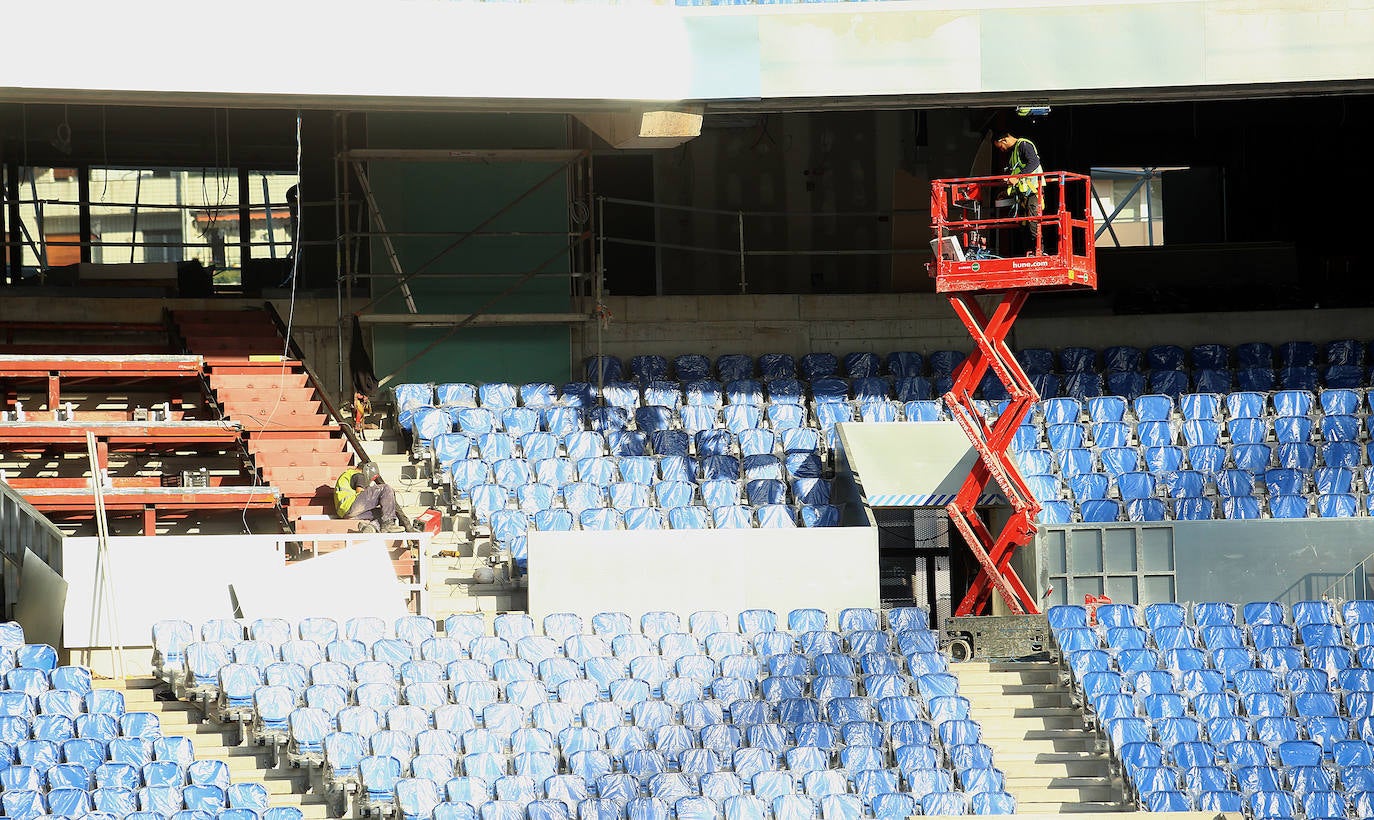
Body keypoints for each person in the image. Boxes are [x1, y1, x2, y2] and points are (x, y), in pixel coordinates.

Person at [993, 130, 1043, 254]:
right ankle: (1029, 251)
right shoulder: (1014, 153)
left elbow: (1034, 162)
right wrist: (1007, 192)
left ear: (1004, 140)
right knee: (1024, 225)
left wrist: (1018, 177)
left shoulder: (1024, 145)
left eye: (1001, 147)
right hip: (1023, 194)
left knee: (1032, 222)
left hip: (1032, 191)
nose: (1002, 150)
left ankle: (1038, 251)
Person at [335, 461, 405, 533]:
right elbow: (360, 493)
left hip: (346, 513)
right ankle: (388, 524)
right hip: (351, 505)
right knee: (385, 488)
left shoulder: (348, 475)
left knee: (385, 512)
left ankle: (371, 527)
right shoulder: (358, 475)